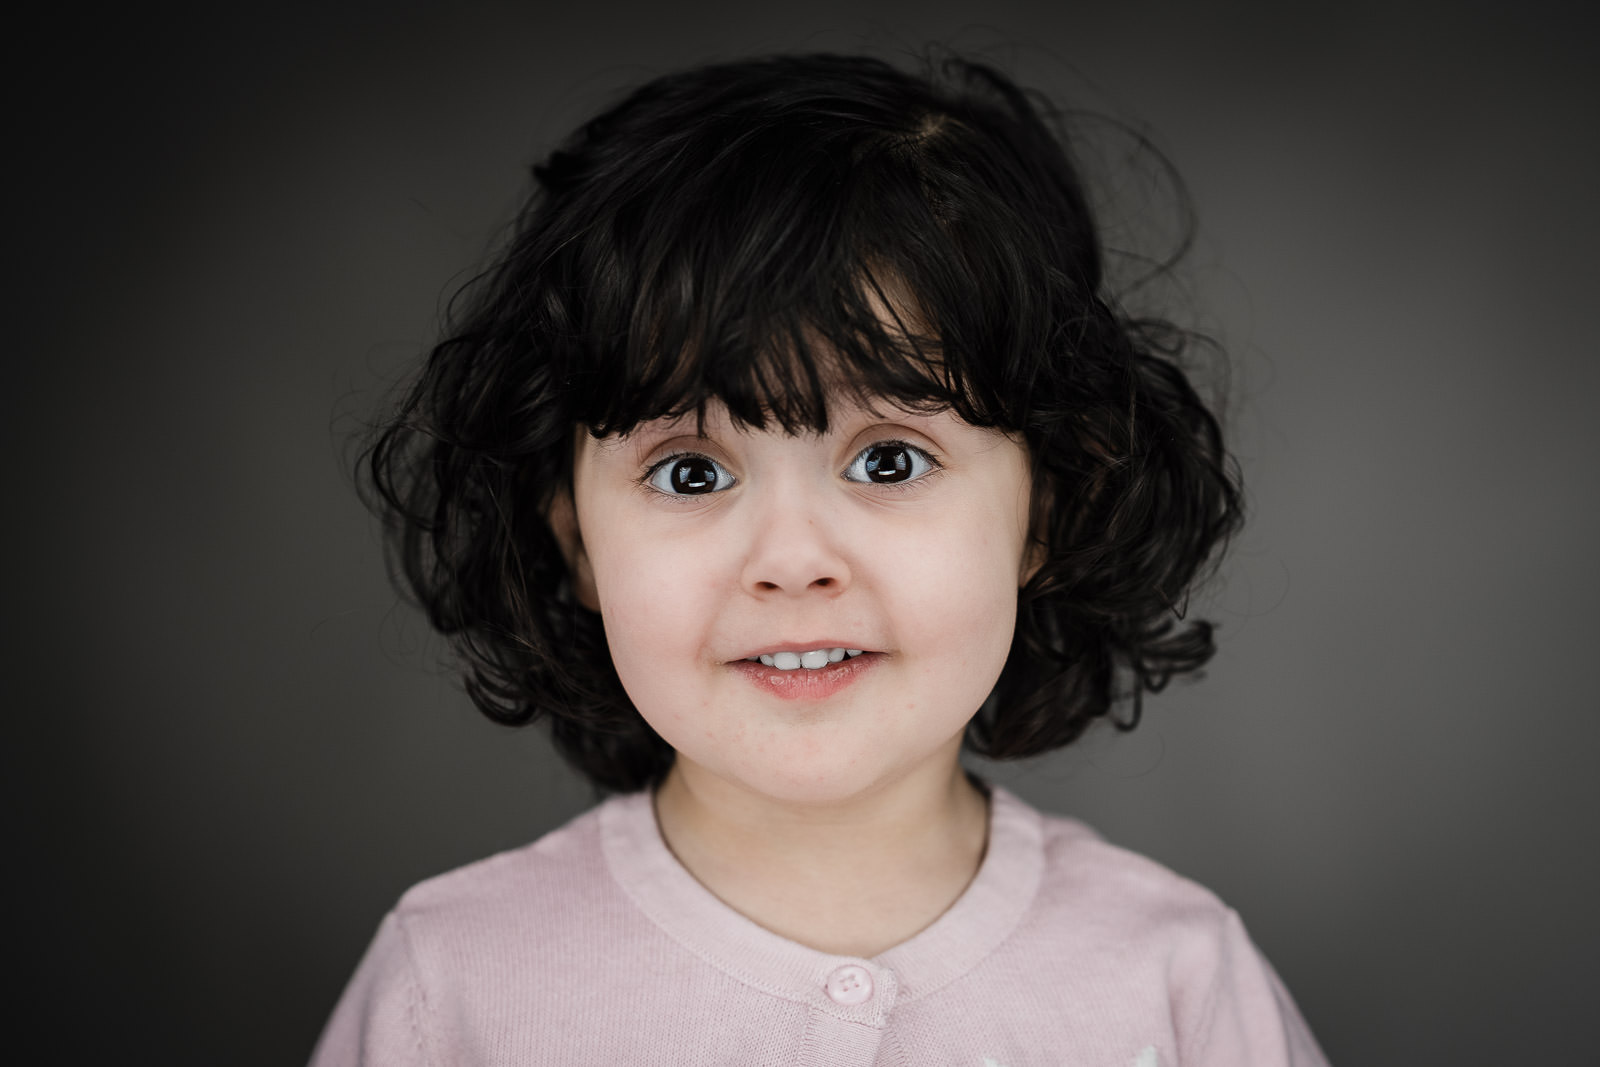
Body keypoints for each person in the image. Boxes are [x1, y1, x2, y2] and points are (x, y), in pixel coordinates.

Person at [311, 50, 1330, 1066]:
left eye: (888, 458)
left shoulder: (1176, 985)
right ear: (574, 543)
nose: (792, 561)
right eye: (691, 473)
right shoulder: (453, 985)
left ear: (1043, 515)